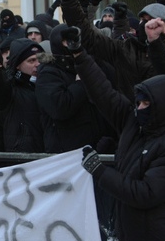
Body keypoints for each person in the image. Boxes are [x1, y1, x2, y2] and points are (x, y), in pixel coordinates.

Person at [65, 26, 165, 241]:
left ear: (164, 105)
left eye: (146, 104)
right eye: (138, 102)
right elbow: (103, 92)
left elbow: (144, 193)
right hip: (127, 240)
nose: (139, 108)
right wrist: (79, 54)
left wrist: (99, 171)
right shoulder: (134, 121)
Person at [59, 0, 165, 102]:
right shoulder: (125, 49)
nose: (146, 25)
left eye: (152, 20)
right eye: (143, 20)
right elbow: (89, 37)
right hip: (132, 115)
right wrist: (70, 3)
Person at [35, 24, 114, 153]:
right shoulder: (48, 73)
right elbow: (59, 107)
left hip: (99, 148)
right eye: (68, 41)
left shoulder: (92, 65)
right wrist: (80, 84)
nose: (73, 44)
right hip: (68, 154)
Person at [0, 26, 45, 153]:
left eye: (40, 59)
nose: (37, 64)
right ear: (18, 65)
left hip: (49, 157)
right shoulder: (11, 91)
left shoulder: (49, 86)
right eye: (31, 60)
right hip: (21, 159)